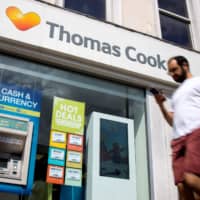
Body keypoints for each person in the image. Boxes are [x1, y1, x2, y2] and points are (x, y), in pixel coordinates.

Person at [152, 55, 200, 200]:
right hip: (178, 140)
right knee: (182, 186)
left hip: (195, 132)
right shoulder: (177, 94)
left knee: (191, 178)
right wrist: (161, 104)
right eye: (170, 72)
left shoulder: (197, 82)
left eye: (174, 70)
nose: (172, 74)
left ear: (185, 65)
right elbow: (172, 121)